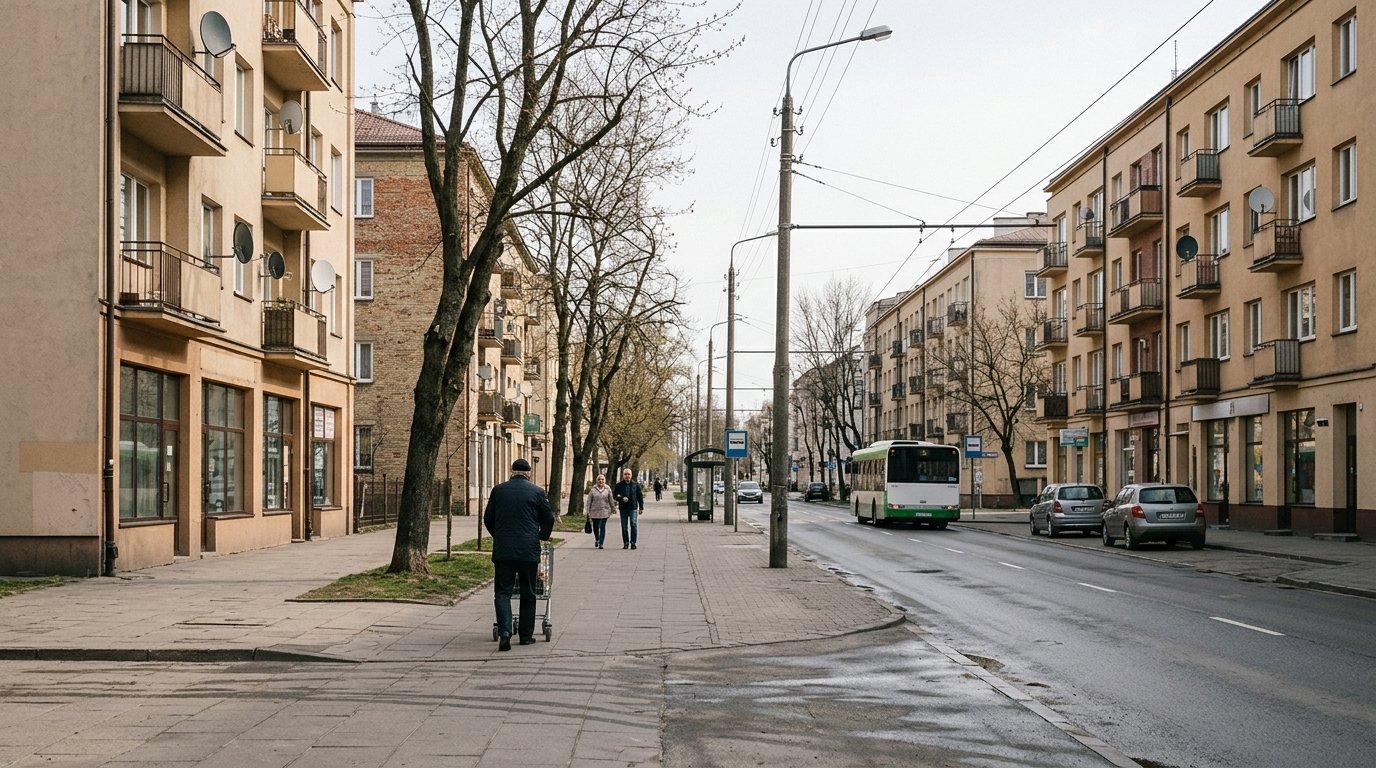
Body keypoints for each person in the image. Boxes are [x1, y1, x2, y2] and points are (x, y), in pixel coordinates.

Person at [484, 458, 555, 651]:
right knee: (528, 593)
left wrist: (499, 536)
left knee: (503, 592)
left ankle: (505, 632)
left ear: (511, 471)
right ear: (528, 473)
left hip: (504, 551)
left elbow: (488, 518)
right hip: (528, 551)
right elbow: (549, 518)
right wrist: (541, 537)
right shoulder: (538, 492)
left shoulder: (498, 490)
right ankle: (525, 636)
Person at [613, 468, 644, 550]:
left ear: (631, 475)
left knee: (633, 525)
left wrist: (641, 507)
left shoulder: (636, 485)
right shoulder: (619, 485)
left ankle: (633, 543)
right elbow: (615, 495)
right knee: (624, 526)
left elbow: (640, 496)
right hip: (623, 508)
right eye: (625, 474)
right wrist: (621, 499)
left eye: (628, 474)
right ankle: (626, 543)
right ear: (623, 475)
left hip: (633, 508)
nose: (627, 476)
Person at [584, 473, 614, 549]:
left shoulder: (608, 489)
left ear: (605, 481)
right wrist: (587, 511)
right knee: (596, 527)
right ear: (596, 481)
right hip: (594, 512)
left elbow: (611, 500)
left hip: (604, 511)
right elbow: (589, 502)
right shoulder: (593, 490)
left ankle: (601, 543)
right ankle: (597, 539)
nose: (601, 481)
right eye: (599, 479)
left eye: (602, 479)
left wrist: (613, 508)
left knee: (602, 527)